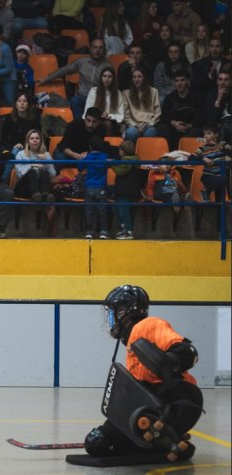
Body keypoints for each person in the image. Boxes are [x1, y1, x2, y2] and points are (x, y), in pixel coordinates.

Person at [85, 284, 201, 461]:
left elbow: (186, 352)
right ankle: (165, 442)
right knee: (97, 442)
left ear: (124, 311)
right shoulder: (134, 338)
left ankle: (160, 438)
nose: (111, 319)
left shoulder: (148, 325)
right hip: (166, 403)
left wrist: (168, 362)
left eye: (113, 312)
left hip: (176, 400)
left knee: (97, 442)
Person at [38, 38, 113, 122]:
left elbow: (112, 87)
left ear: (104, 50)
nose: (97, 50)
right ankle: (81, 124)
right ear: (90, 49)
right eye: (95, 47)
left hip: (98, 99)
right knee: (74, 100)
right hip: (83, 97)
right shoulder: (82, 62)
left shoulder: (107, 66)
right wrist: (47, 79)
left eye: (100, 48)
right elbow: (64, 70)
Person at [159, 70, 199, 150]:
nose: (179, 83)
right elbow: (164, 116)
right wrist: (174, 123)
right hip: (174, 127)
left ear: (187, 81)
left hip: (191, 127)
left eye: (182, 80)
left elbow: (200, 116)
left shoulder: (196, 96)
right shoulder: (169, 97)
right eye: (176, 81)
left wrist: (188, 126)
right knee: (162, 128)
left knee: (196, 131)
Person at [79, 136, 110, 239]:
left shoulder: (88, 157)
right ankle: (103, 232)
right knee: (102, 210)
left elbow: (80, 168)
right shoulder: (105, 156)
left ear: (90, 147)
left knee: (89, 210)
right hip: (101, 186)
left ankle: (89, 232)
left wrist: (82, 158)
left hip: (89, 187)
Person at [191, 123, 231, 203]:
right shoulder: (203, 148)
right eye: (204, 134)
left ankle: (209, 195)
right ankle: (206, 190)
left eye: (209, 133)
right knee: (223, 180)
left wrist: (223, 149)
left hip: (221, 175)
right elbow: (191, 157)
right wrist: (204, 158)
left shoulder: (222, 144)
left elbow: (230, 153)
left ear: (216, 134)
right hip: (208, 176)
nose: (206, 136)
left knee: (220, 202)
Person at [111, 140, 141, 240]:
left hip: (124, 191)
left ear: (122, 151)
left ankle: (128, 231)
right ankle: (125, 229)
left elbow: (120, 171)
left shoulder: (126, 161)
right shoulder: (136, 160)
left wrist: (111, 164)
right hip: (133, 190)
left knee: (123, 211)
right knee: (125, 210)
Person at [123, 68, 161, 143]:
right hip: (134, 125)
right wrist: (135, 125)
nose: (136, 79)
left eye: (139, 77)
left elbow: (158, 113)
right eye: (134, 77)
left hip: (149, 124)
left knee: (150, 133)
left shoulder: (154, 91)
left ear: (144, 78)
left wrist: (149, 124)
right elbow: (126, 116)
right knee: (131, 133)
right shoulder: (126, 93)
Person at [84, 67, 124, 137]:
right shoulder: (94, 91)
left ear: (113, 79)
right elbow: (88, 110)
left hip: (112, 123)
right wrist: (99, 115)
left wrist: (109, 116)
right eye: (104, 76)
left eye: (109, 76)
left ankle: (107, 143)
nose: (106, 79)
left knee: (107, 124)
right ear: (101, 78)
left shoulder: (118, 94)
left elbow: (121, 116)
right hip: (94, 120)